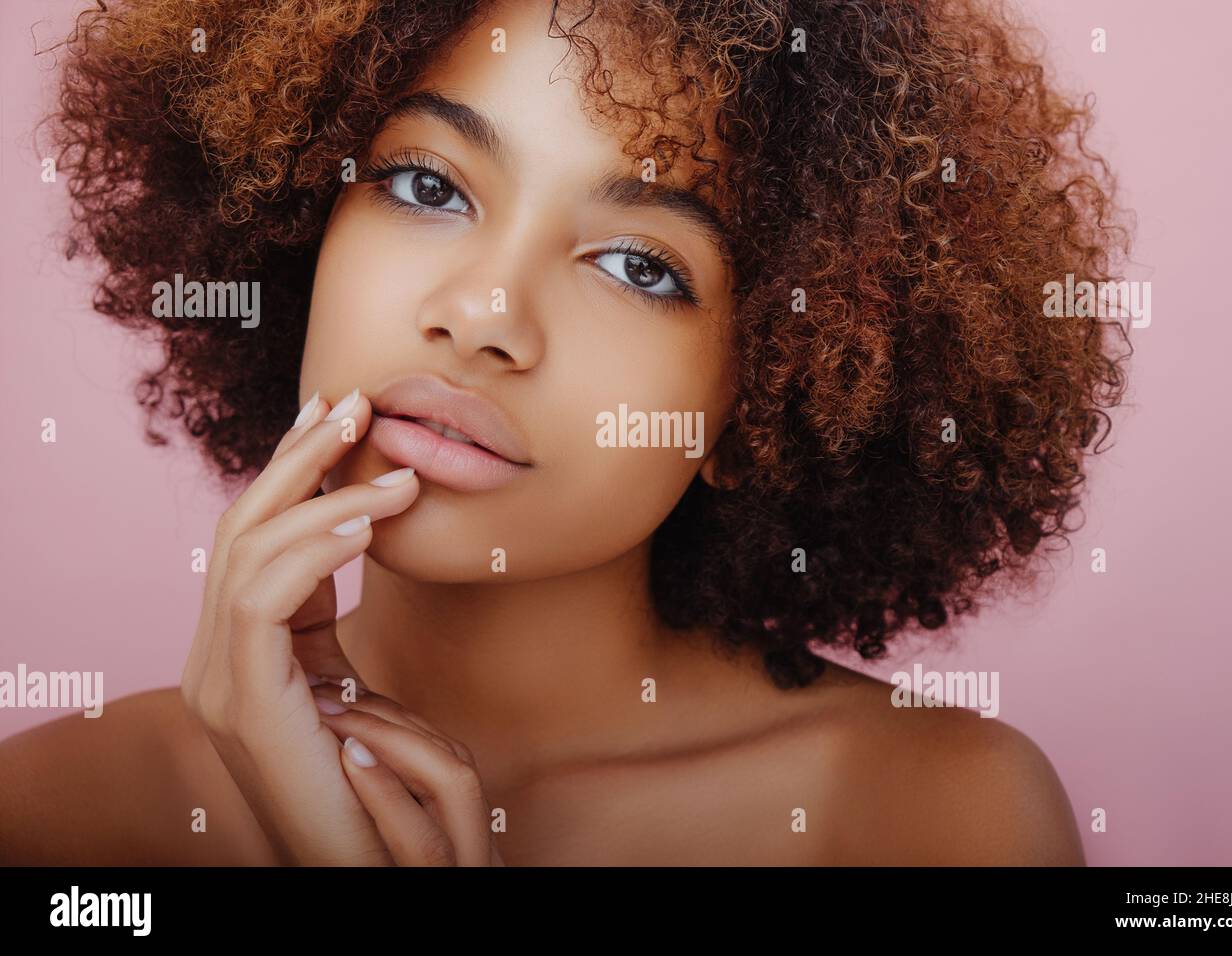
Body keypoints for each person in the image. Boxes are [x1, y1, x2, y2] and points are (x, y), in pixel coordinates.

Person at [0, 0, 1129, 865]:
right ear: (298, 223)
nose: (485, 314)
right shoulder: (59, 817)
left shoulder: (928, 815)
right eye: (427, 185)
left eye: (641, 265)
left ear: (773, 393)